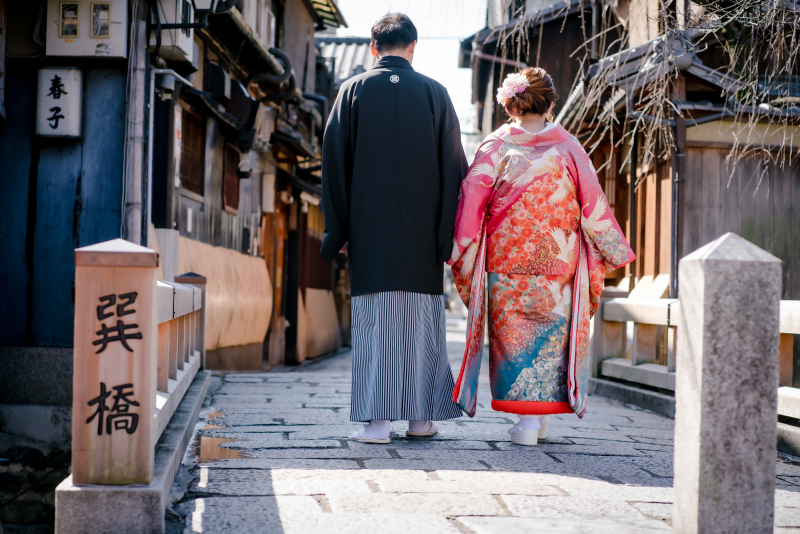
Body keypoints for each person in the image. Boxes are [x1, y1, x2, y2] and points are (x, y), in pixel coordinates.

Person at [448, 68, 634, 446]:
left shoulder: (495, 147)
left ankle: (528, 424)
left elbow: (470, 205)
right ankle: (538, 421)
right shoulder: (569, 147)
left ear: (510, 104)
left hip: (507, 263)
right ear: (550, 103)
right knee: (550, 337)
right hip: (556, 262)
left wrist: (457, 249)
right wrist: (611, 249)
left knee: (513, 341)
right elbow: (593, 203)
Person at [320, 13, 468, 443]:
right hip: (424, 236)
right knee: (421, 324)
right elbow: (455, 171)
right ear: (413, 47)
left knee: (374, 322)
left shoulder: (352, 92)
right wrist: (447, 234)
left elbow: (335, 168)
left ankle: (377, 423)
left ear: (373, 47)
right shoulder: (436, 95)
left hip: (368, 231)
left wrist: (339, 230)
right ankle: (421, 420)